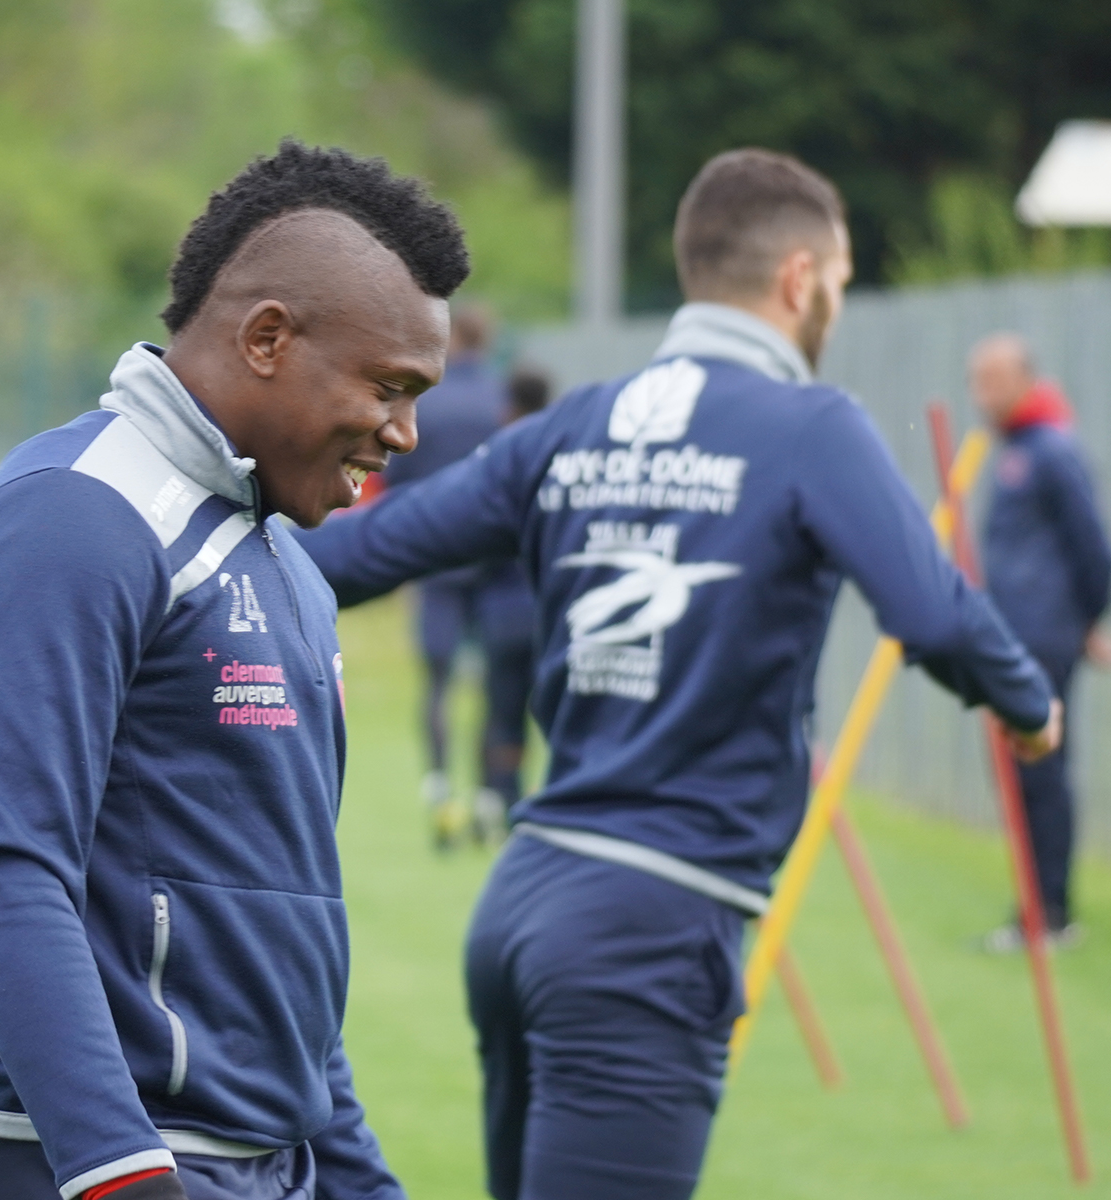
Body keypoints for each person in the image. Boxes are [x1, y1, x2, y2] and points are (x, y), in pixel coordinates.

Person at [294, 148, 1062, 1200]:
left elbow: (348, 557)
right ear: (799, 279)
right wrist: (1028, 707)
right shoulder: (810, 428)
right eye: (836, 285)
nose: (832, 305)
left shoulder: (574, 423)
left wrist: (183, 572)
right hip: (648, 929)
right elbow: (934, 613)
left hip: (521, 906)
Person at [0, 140, 467, 1200]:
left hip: (263, 1165)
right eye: (389, 386)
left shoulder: (286, 564)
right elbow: (7, 872)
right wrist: (123, 1178)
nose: (404, 432)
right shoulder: (75, 516)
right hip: (87, 1168)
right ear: (267, 337)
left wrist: (354, 1178)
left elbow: (271, 931)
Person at [969, 333, 1111, 951]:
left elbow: (1095, 547)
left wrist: (1088, 619)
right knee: (1020, 773)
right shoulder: (1013, 450)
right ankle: (1035, 909)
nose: (981, 394)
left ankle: (1051, 915)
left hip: (1042, 638)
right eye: (977, 380)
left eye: (992, 380)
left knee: (1042, 772)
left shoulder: (1051, 450)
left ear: (1024, 379)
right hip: (1012, 634)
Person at [381, 305, 509, 845]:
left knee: (437, 682)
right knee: (497, 685)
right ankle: (487, 796)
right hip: (498, 561)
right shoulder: (503, 400)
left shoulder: (426, 405)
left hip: (435, 557)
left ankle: (438, 791)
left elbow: (396, 477)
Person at [467, 368, 550, 841]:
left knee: (502, 719)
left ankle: (505, 806)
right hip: (547, 615)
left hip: (500, 615)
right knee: (553, 717)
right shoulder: (564, 455)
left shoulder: (499, 458)